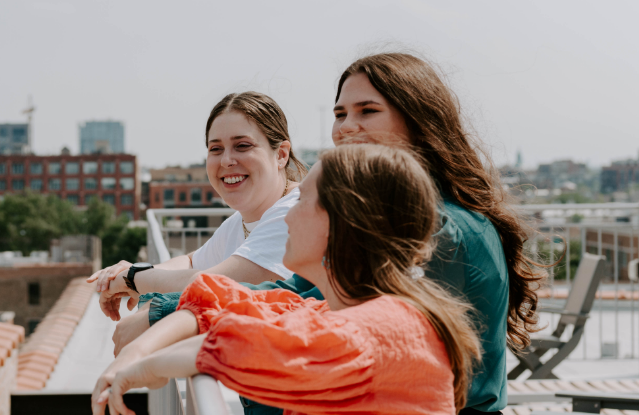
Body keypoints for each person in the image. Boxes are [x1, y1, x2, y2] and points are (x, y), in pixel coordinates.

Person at [137, 52, 546, 415]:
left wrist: (160, 316)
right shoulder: (403, 214)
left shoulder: (436, 227)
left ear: (419, 120)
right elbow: (290, 298)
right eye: (339, 114)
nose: (346, 128)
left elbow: (302, 310)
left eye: (367, 111)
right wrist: (168, 312)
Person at [92, 144, 482, 415]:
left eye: (302, 202)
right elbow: (240, 304)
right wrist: (138, 359)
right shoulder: (358, 311)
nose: (288, 215)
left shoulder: (380, 330)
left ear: (343, 223)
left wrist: (137, 369)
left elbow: (244, 344)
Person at [85, 91, 307, 352]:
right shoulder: (241, 220)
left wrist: (134, 279)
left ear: (281, 154)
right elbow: (192, 261)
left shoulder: (298, 212)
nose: (226, 160)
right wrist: (137, 271)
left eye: (242, 146)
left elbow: (214, 282)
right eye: (216, 149)